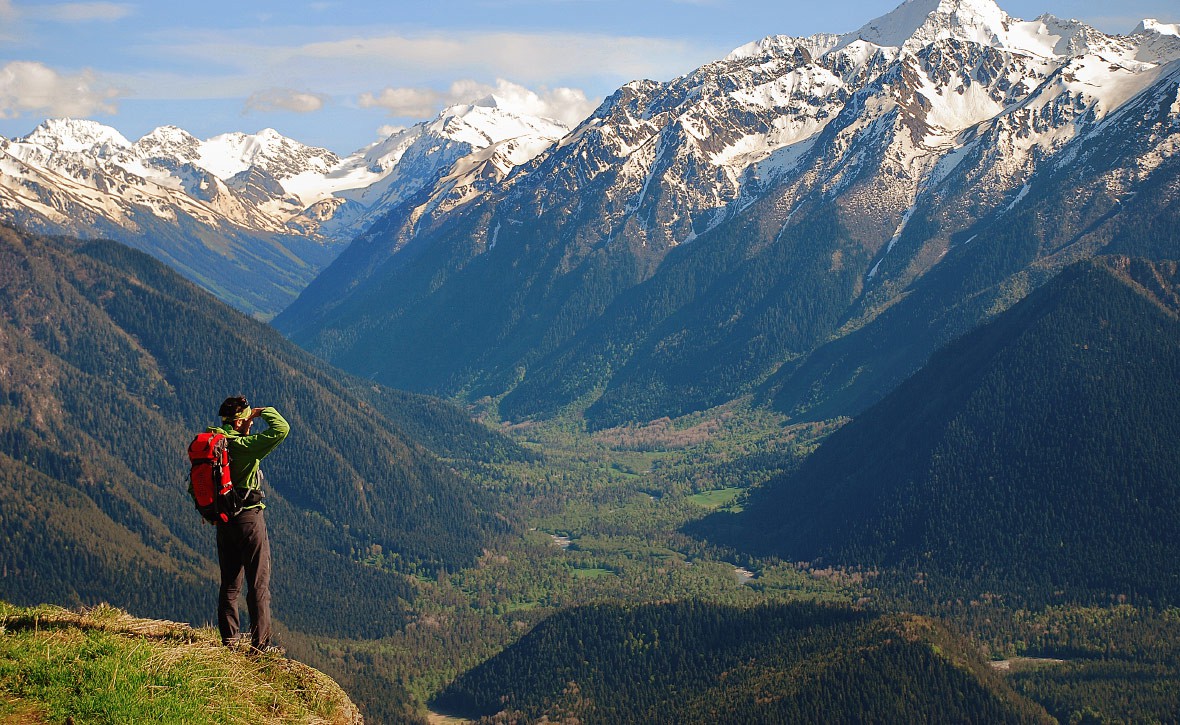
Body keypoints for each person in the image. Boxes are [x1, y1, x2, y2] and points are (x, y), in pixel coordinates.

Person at [210, 395, 289, 654]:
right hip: (248, 519)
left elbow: (195, 484)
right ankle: (260, 646)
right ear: (241, 420)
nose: (252, 424)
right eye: (248, 420)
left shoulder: (214, 443)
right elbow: (281, 429)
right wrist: (264, 411)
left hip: (223, 521)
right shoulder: (244, 446)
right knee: (258, 584)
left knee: (230, 585)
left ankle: (229, 643)